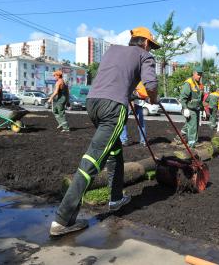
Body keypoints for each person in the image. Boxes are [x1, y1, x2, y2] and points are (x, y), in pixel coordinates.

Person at [49, 27, 159, 236]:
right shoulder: (146, 56)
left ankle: (116, 198)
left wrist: (131, 93)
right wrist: (154, 99)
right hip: (113, 108)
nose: (150, 48)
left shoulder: (113, 50)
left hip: (93, 103)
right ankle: (62, 220)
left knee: (115, 151)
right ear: (145, 43)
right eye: (151, 45)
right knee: (92, 161)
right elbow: (151, 84)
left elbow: (114, 79)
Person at [176, 66, 204, 148]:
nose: (200, 76)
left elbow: (200, 98)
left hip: (196, 108)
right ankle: (191, 144)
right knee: (192, 126)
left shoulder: (200, 84)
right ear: (194, 73)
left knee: (192, 125)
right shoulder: (188, 83)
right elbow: (182, 98)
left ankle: (180, 137)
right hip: (190, 108)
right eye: (198, 74)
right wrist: (185, 108)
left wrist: (202, 109)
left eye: (201, 75)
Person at [120, 81, 148, 147]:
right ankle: (143, 141)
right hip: (136, 102)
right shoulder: (140, 79)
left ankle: (124, 140)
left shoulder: (133, 77)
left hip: (133, 102)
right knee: (140, 123)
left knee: (123, 121)